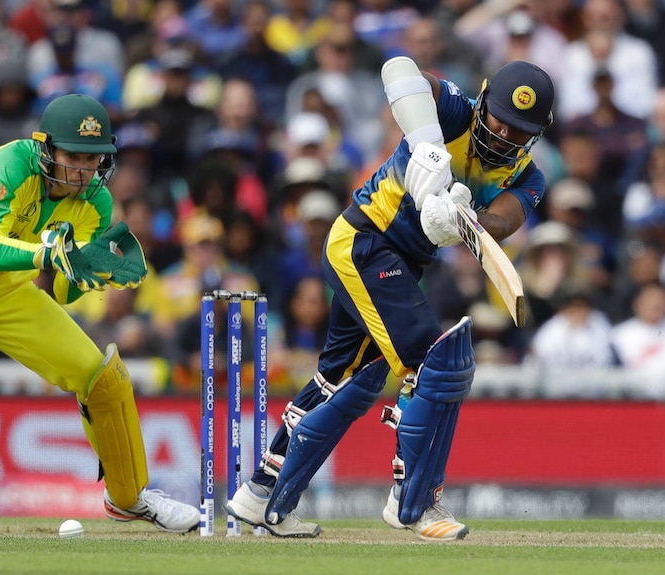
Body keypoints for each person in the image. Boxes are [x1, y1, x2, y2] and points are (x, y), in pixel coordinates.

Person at [227, 57, 555, 540]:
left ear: (537, 134)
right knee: (434, 363)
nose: (503, 134)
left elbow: (501, 223)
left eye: (518, 129)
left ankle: (261, 495)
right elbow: (398, 68)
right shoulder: (454, 113)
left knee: (343, 378)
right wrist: (426, 146)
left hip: (395, 262)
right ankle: (414, 500)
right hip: (365, 240)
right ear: (483, 101)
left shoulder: (529, 178)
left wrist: (464, 218)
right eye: (499, 118)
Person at [0, 93, 200, 534]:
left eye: (94, 159)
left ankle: (130, 497)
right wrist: (50, 251)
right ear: (45, 148)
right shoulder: (12, 162)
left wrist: (91, 272)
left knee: (99, 373)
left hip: (2, 293)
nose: (84, 170)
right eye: (73, 155)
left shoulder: (97, 202)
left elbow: (62, 288)